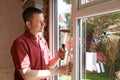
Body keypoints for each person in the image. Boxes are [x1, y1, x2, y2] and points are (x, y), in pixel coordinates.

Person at [10, 7, 71, 80]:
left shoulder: (42, 40)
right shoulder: (20, 43)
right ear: (28, 24)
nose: (44, 24)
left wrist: (58, 56)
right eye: (40, 22)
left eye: (43, 21)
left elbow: (49, 64)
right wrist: (57, 70)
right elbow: (27, 75)